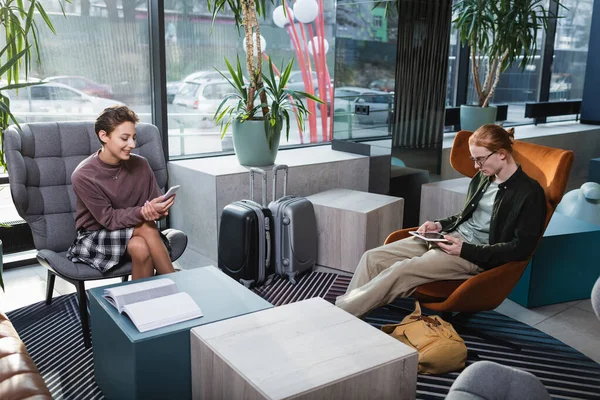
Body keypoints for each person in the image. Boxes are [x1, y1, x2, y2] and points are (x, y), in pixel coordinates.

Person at [335, 124, 547, 317]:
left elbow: (521, 249)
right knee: (372, 257)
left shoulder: (529, 193)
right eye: (474, 159)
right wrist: (438, 225)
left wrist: (465, 250)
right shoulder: (483, 178)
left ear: (501, 154)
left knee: (401, 271)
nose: (475, 166)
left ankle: (338, 317)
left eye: (479, 159)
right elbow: (464, 216)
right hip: (448, 237)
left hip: (474, 255)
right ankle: (351, 317)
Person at [67, 105, 176, 279]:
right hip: (96, 236)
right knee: (147, 228)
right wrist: (142, 213)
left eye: (133, 138)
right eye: (124, 138)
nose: (132, 145)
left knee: (140, 247)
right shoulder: (84, 175)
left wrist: (158, 211)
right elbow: (109, 220)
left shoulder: (141, 164)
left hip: (136, 230)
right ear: (104, 136)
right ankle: (175, 281)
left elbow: (152, 212)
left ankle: (141, 304)